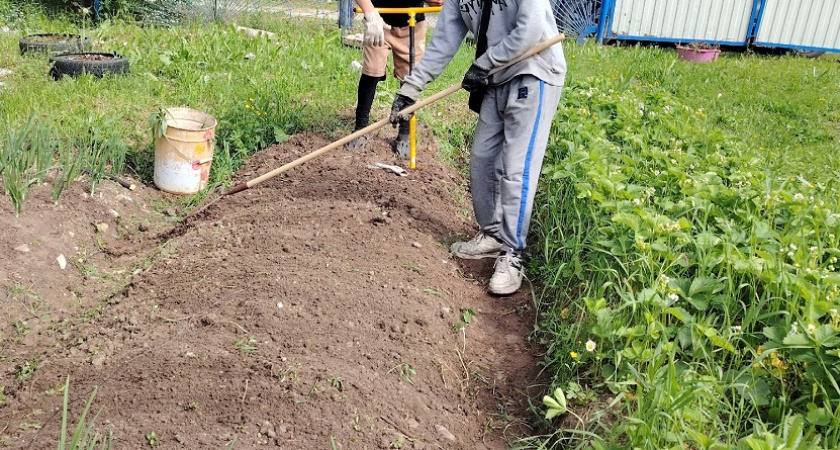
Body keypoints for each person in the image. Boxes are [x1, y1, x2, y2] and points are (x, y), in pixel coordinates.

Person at [390, 0, 566, 295]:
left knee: (516, 167)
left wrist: (485, 62)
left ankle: (512, 253)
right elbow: (444, 39)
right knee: (482, 159)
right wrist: (411, 88)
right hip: (496, 76)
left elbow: (531, 29)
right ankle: (492, 234)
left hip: (534, 70)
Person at [348, 0, 443, 157]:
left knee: (410, 79)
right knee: (371, 71)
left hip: (411, 23)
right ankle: (360, 128)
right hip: (378, 19)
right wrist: (370, 13)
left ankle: (404, 134)